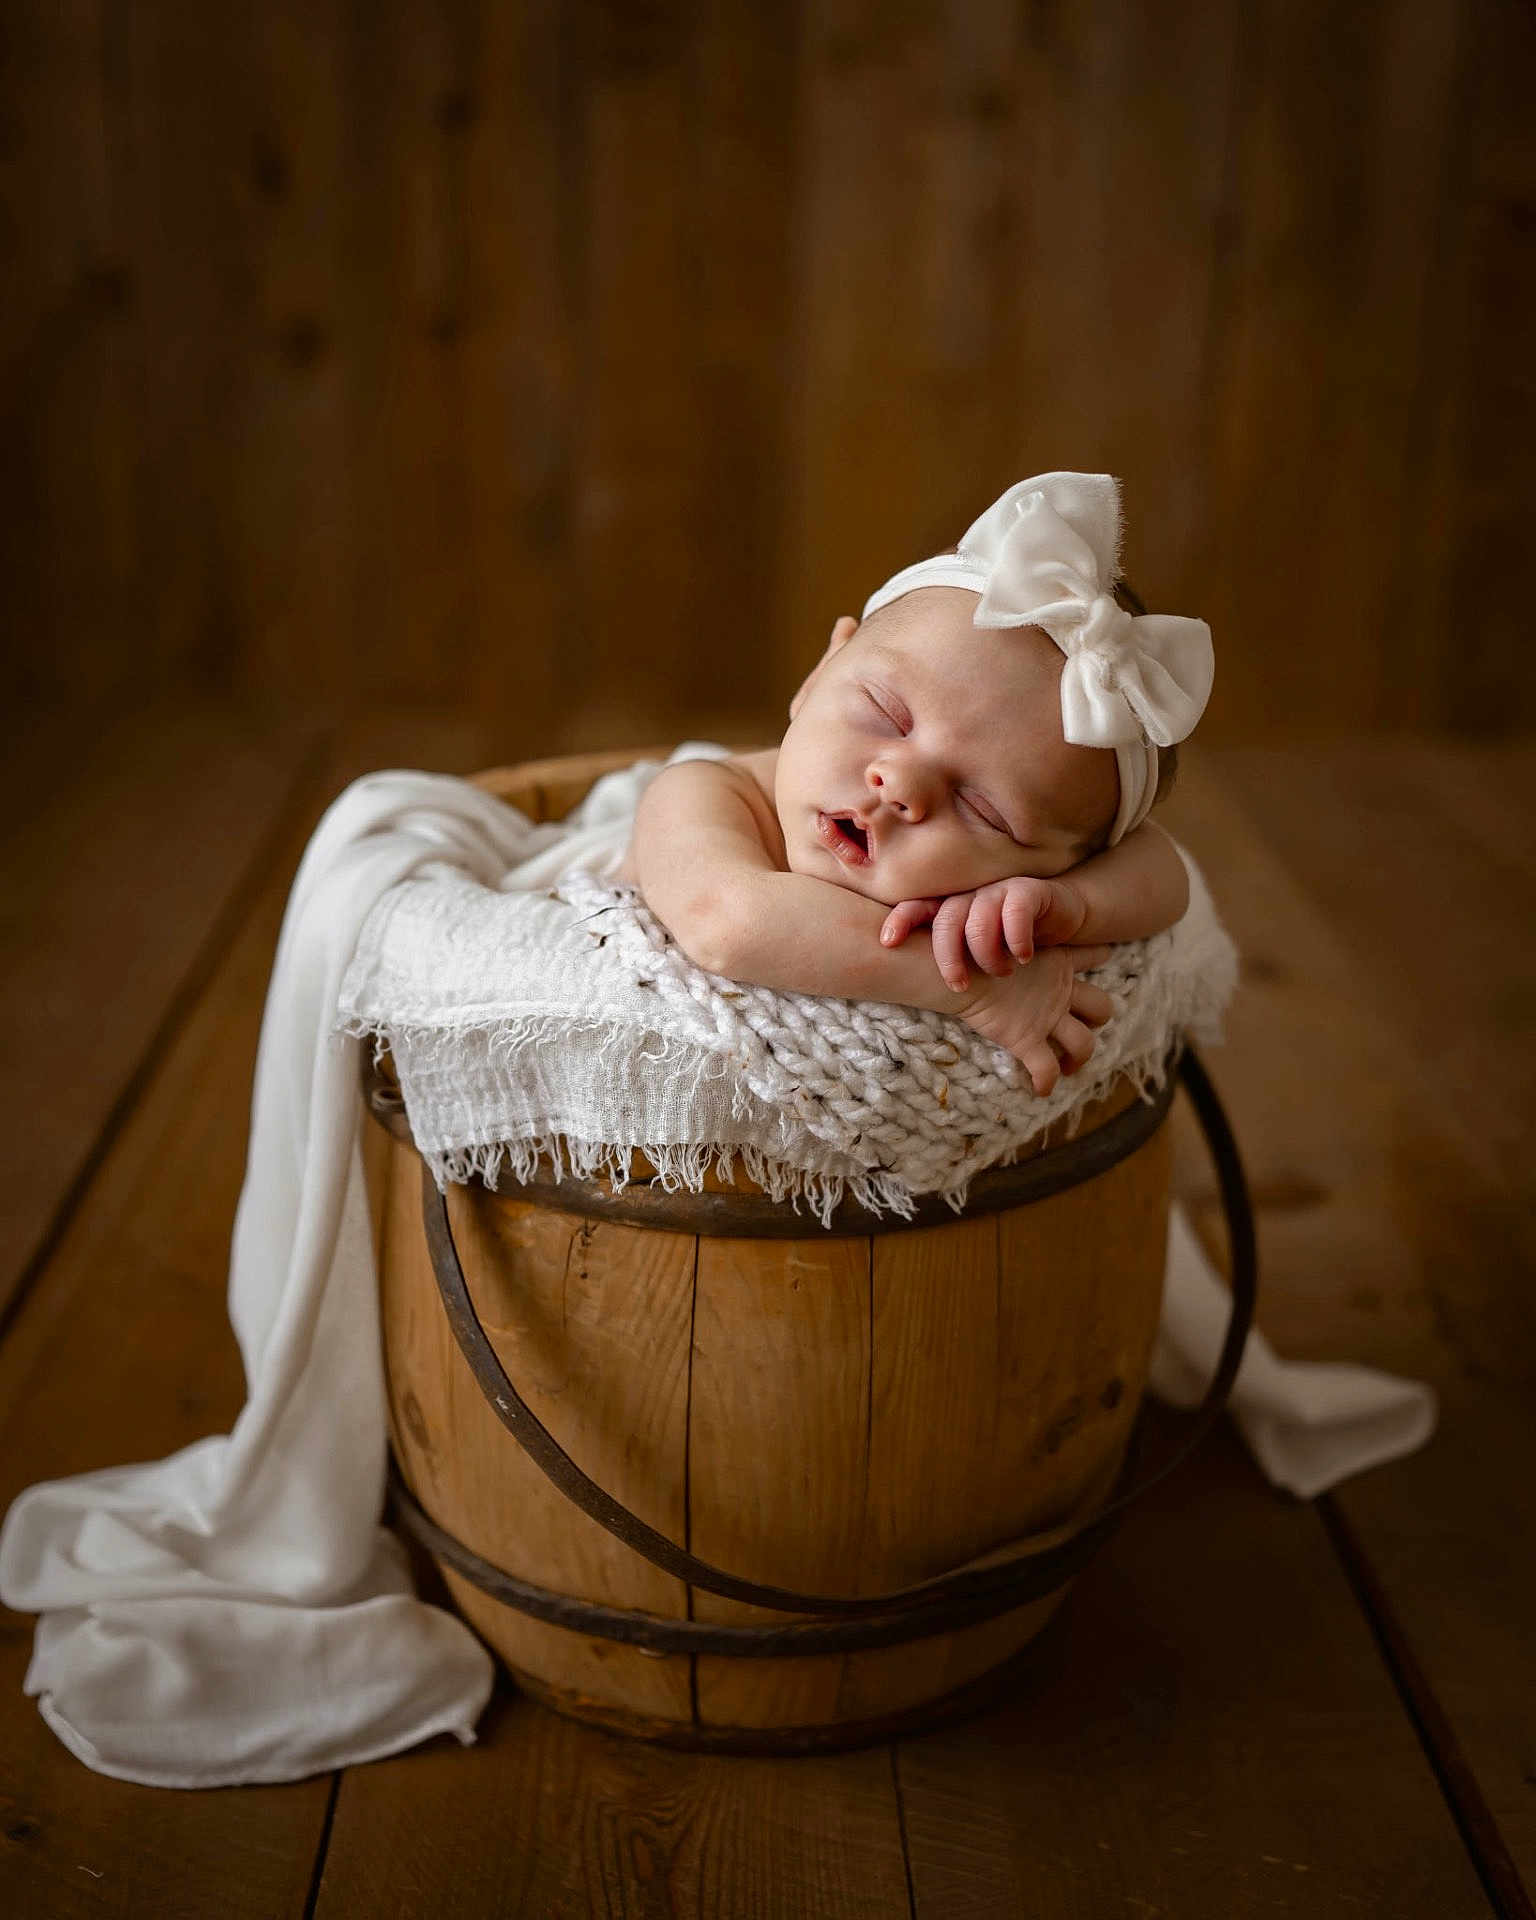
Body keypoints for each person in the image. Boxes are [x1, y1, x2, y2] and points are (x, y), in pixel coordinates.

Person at [619, 471, 1215, 1096]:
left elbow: (1163, 873)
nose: (901, 783)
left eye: (983, 810)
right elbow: (728, 923)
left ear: (1053, 863)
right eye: (885, 713)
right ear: (821, 672)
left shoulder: (1017, 883)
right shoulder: (703, 792)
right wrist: (971, 988)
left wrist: (1068, 909)